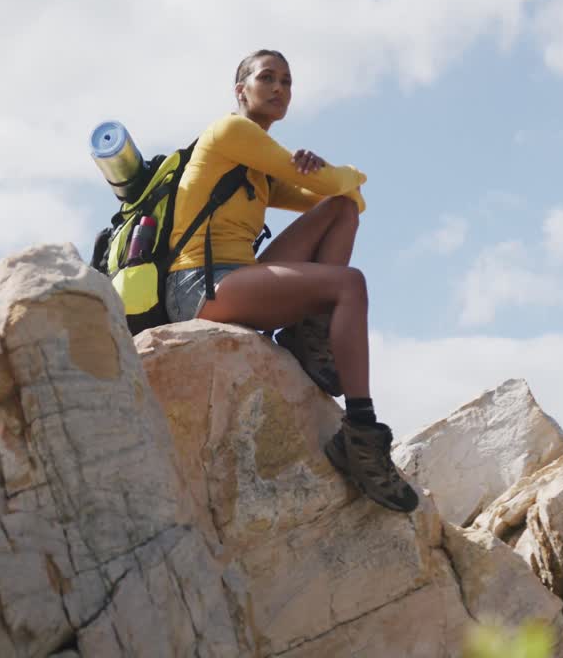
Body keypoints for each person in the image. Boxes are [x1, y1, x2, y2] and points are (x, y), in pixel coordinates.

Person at [163, 49, 419, 513]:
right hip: (198, 287)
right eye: (267, 78)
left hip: (236, 275)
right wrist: (339, 175)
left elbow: (344, 200)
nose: (279, 87)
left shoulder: (257, 166)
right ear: (241, 90)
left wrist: (327, 179)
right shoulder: (231, 131)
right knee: (349, 284)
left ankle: (309, 336)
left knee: (338, 213)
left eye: (287, 80)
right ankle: (360, 434)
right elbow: (344, 180)